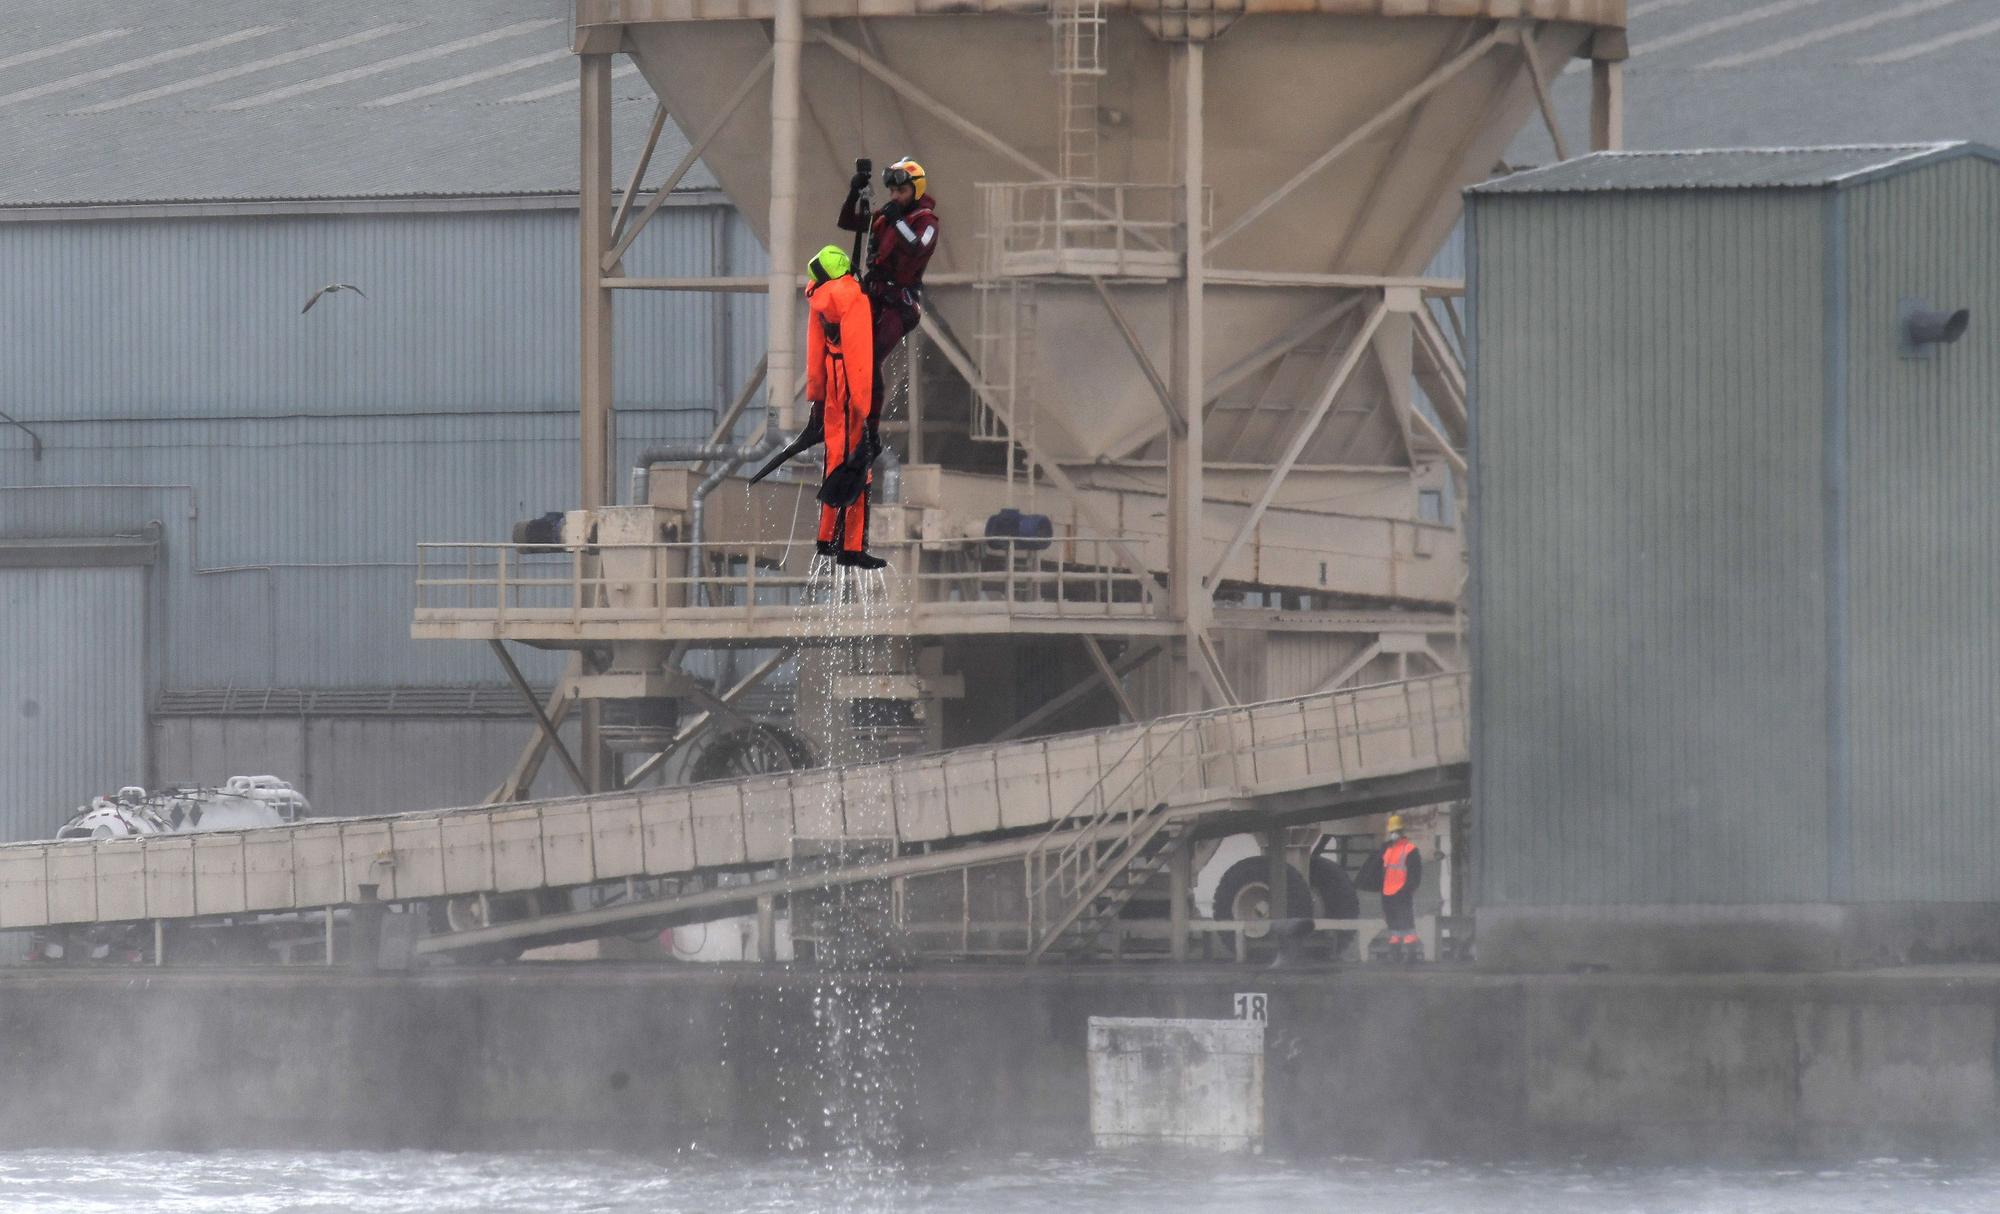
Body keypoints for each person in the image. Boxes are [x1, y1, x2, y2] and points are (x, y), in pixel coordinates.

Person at [801, 244, 885, 570]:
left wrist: (817, 396)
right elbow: (859, 356)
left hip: (832, 380)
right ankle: (852, 547)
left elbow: (814, 348)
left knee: (834, 458)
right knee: (857, 464)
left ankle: (825, 538)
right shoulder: (853, 299)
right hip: (850, 384)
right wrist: (865, 411)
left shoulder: (818, 298)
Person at [837, 157, 939, 411]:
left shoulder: (926, 222)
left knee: (871, 358)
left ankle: (869, 426)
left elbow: (918, 248)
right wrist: (854, 192)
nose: (895, 196)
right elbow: (848, 222)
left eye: (901, 191)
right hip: (875, 295)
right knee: (849, 353)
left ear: (916, 190)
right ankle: (847, 411)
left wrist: (898, 221)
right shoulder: (886, 216)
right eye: (892, 191)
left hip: (900, 303)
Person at [1359, 814, 1425, 962]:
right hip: (1388, 891)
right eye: (1392, 831)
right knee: (1392, 920)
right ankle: (1395, 950)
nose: (1393, 834)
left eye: (1396, 831)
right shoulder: (1387, 849)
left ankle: (1410, 951)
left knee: (1406, 920)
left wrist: (1408, 888)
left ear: (1401, 831)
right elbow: (1380, 867)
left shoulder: (1410, 849)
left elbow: (1415, 872)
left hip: (1402, 891)